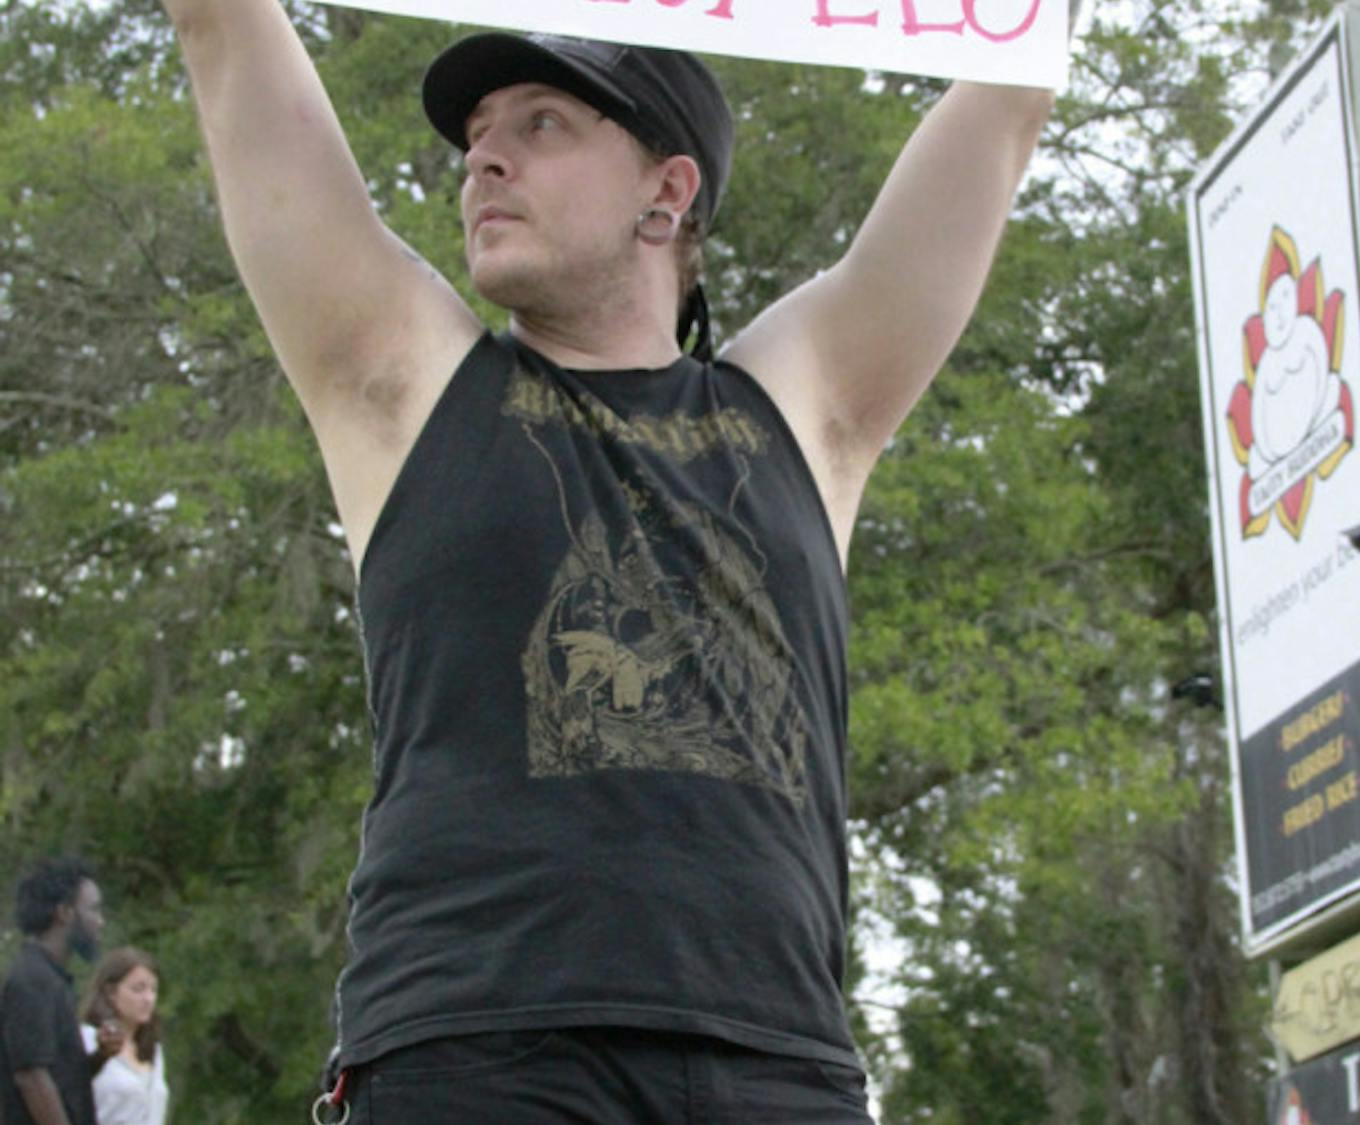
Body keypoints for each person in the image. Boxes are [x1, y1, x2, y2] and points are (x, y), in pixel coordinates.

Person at [158, 2, 1053, 1120]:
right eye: (479, 130)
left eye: (541, 124)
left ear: (665, 193)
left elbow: (1013, 89)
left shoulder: (804, 402)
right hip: (474, 1051)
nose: (482, 156)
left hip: (776, 1064)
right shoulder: (403, 379)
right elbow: (220, 28)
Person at [1, 857, 122, 1125]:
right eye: (93, 910)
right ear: (64, 913)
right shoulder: (32, 979)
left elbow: (64, 1082)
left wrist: (100, 1056)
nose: (100, 922)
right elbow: (31, 1077)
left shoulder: (54, 979)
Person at [79, 949, 169, 1125]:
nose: (148, 999)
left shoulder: (153, 1050)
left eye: (153, 990)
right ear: (111, 992)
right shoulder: (86, 1039)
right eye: (138, 989)